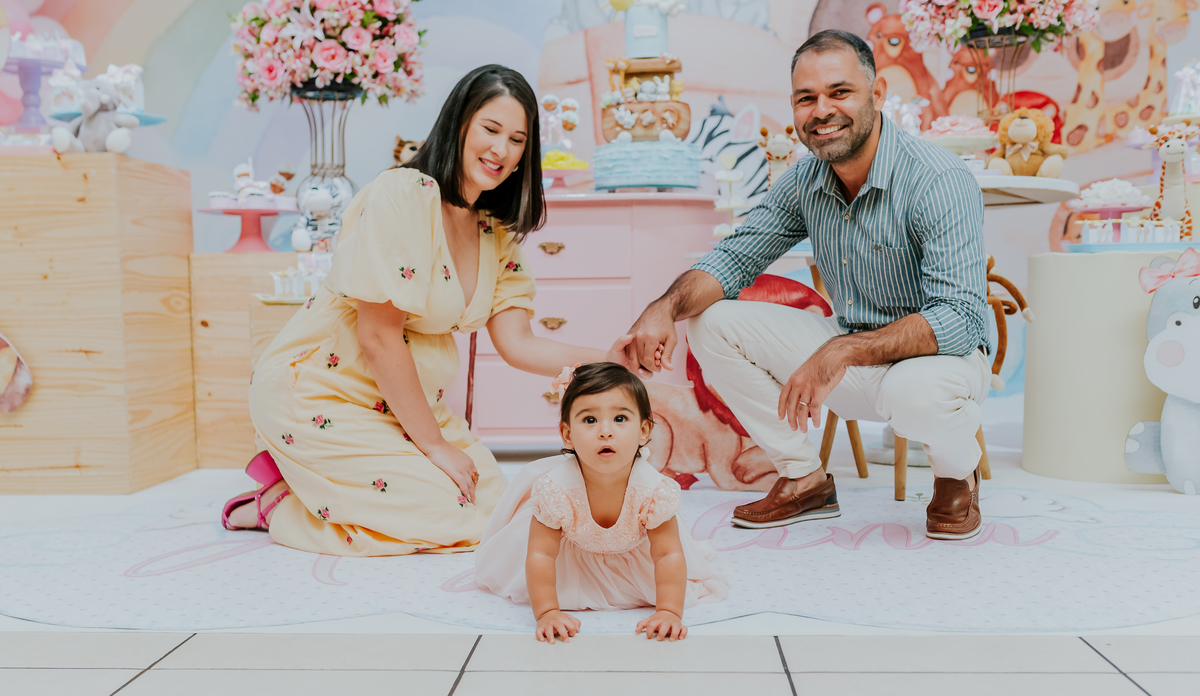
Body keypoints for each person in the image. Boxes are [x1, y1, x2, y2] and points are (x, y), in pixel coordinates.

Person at [222, 65, 633, 556]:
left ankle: (325, 486)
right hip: (323, 393)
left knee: (500, 513)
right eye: (491, 129)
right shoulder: (403, 195)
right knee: (439, 515)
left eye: (518, 139)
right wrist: (436, 447)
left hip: (407, 405)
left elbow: (519, 344)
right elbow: (377, 337)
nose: (501, 150)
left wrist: (610, 361)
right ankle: (277, 502)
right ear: (459, 124)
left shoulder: (494, 231)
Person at [621, 30, 992, 540]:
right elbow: (733, 258)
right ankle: (804, 479)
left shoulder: (937, 179)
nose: (822, 110)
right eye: (806, 98)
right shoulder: (806, 180)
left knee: (917, 395)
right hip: (853, 358)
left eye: (840, 92)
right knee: (712, 322)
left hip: (937, 364)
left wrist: (839, 351)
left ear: (878, 94)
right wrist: (663, 307)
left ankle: (956, 476)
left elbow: (960, 317)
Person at [474, 363, 728, 642]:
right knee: (537, 559)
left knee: (674, 569)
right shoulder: (556, 489)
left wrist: (668, 611)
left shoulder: (652, 490)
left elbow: (666, 554)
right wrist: (547, 612)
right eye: (590, 420)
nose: (605, 432)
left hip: (634, 553)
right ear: (567, 434)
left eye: (620, 419)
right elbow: (541, 554)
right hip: (569, 558)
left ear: (644, 431)